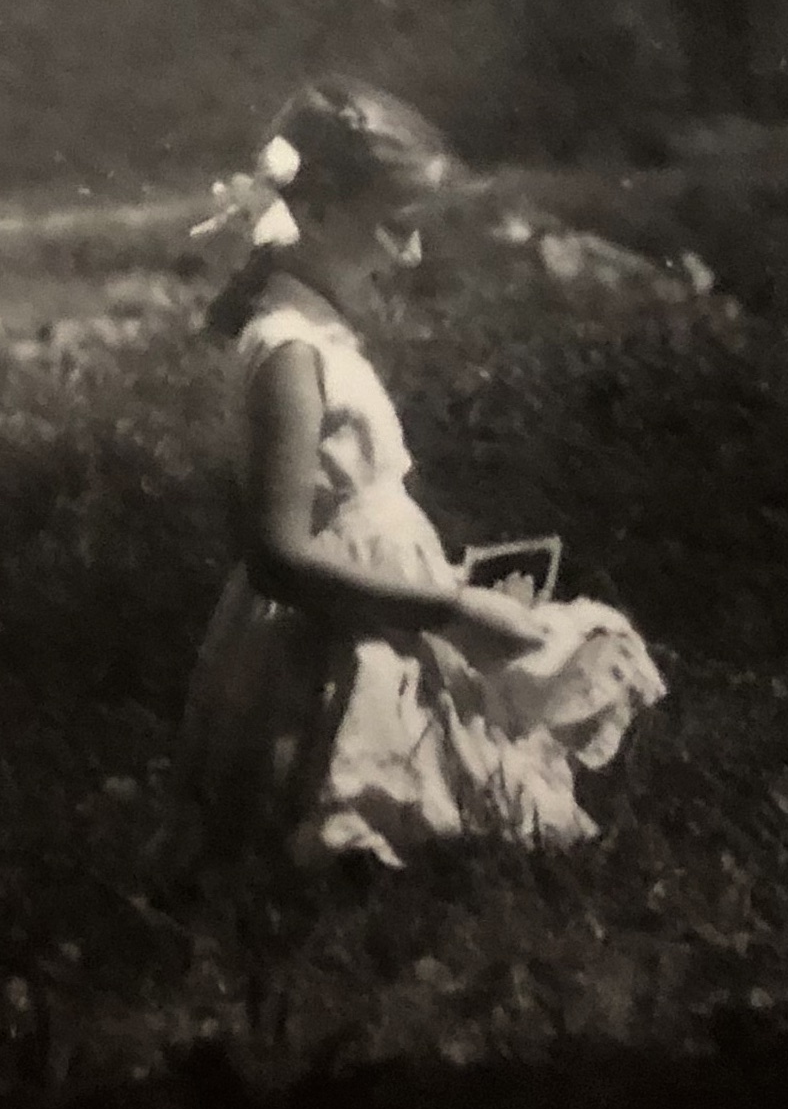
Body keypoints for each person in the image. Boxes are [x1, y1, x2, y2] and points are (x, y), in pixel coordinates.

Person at [180, 79, 666, 869]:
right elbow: (276, 554)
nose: (410, 255)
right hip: (335, 634)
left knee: (565, 651)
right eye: (396, 227)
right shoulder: (288, 349)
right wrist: (449, 608)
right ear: (319, 210)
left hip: (385, 606)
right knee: (369, 794)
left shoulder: (318, 334)